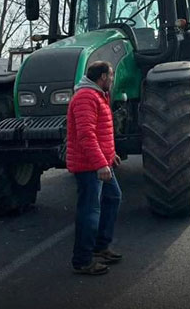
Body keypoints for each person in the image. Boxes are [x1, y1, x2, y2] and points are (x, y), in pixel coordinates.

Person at [66, 61, 122, 275]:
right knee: (90, 211)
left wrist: (110, 155)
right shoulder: (86, 97)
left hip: (101, 161)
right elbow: (86, 135)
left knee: (113, 197)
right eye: (111, 75)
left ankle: (100, 247)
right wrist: (100, 163)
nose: (113, 79)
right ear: (102, 78)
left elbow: (101, 132)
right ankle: (82, 260)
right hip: (89, 165)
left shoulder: (98, 95)